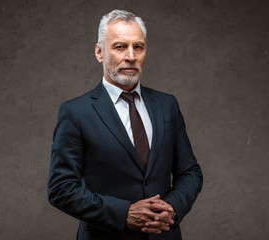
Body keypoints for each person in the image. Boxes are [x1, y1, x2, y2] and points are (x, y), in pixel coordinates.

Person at [47, 9, 203, 240]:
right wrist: (124, 214)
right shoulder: (75, 112)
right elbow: (60, 189)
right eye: (120, 47)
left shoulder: (167, 105)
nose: (131, 56)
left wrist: (172, 208)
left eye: (138, 47)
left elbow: (190, 172)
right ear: (100, 52)